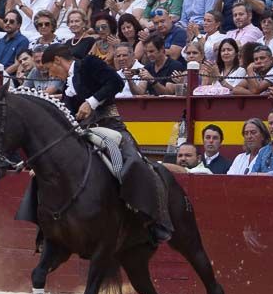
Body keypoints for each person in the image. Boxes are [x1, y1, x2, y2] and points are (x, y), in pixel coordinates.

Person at [39, 42, 173, 244]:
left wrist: (90, 102)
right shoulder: (69, 86)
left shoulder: (89, 63)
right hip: (86, 132)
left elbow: (116, 83)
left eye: (50, 69)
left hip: (111, 127)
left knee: (135, 163)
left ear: (58, 60)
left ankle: (157, 221)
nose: (52, 75)